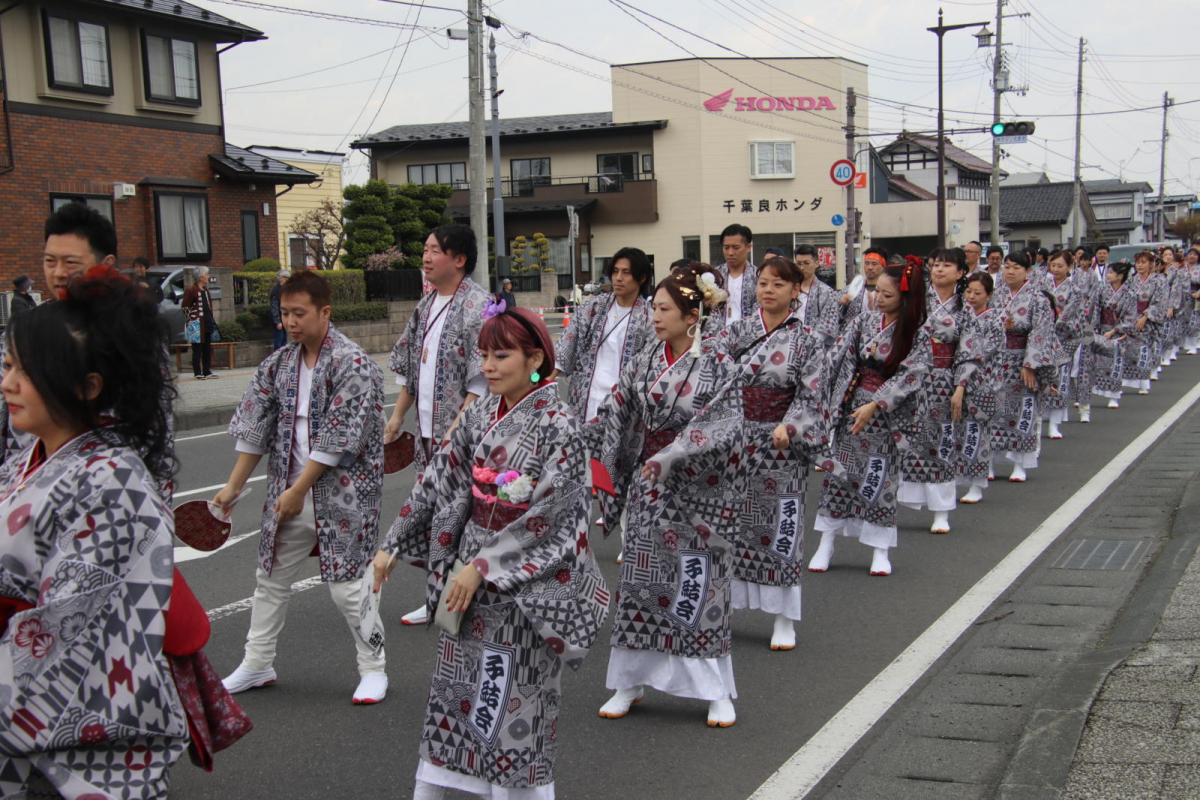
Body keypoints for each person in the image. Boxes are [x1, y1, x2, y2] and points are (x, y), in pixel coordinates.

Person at [373, 305, 608, 800]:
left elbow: (557, 516)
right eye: (483, 355)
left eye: (501, 355)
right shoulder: (480, 411)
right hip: (470, 576)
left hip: (521, 587)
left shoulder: (558, 424)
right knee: (455, 694)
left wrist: (483, 566)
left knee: (512, 699)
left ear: (535, 358)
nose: (488, 366)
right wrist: (393, 541)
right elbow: (440, 475)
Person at [0, 269, 190, 797]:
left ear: (89, 387)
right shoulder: (31, 460)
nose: (7, 384)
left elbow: (64, 632)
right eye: (8, 364)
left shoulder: (111, 484)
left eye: (27, 371)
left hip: (67, 753)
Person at [215, 270, 388, 704]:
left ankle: (374, 669)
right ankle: (257, 662)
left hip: (343, 494)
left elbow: (338, 437)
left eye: (299, 313)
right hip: (288, 492)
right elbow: (255, 426)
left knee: (348, 586)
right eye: (284, 313)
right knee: (269, 579)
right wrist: (232, 487)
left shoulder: (353, 364)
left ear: (324, 312)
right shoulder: (277, 364)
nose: (289, 322)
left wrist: (298, 490)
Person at [593, 264, 744, 727]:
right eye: (653, 308)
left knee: (698, 586)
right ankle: (629, 681)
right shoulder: (645, 359)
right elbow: (617, 410)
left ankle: (715, 690)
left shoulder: (719, 362)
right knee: (640, 584)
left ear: (691, 314)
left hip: (697, 493)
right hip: (648, 487)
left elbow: (725, 423)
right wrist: (582, 441)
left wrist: (676, 453)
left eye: (663, 309)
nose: (654, 316)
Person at [676, 256, 829, 650]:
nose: (767, 290)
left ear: (795, 290)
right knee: (729, 526)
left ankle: (784, 618)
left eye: (778, 284)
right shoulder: (735, 332)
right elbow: (711, 373)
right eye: (762, 283)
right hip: (734, 441)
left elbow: (813, 395)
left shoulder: (809, 340)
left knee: (780, 530)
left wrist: (791, 425)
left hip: (780, 446)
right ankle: (725, 606)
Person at [386, 223, 490, 626]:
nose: (426, 257)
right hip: (428, 432)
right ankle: (436, 597)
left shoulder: (477, 305)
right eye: (425, 249)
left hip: (461, 438)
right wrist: (397, 415)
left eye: (434, 250)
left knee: (459, 515)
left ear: (459, 259)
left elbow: (481, 379)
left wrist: (458, 427)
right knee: (434, 516)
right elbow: (413, 368)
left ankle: (451, 599)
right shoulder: (426, 305)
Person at [810, 262, 928, 576]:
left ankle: (879, 548)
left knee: (879, 479)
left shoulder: (917, 332)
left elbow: (912, 374)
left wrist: (877, 403)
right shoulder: (865, 320)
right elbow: (838, 355)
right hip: (852, 407)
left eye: (887, 294)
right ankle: (826, 541)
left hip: (886, 417)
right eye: (876, 290)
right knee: (838, 475)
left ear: (906, 298)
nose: (878, 297)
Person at [898, 247, 982, 535]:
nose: (939, 270)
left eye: (948, 265)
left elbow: (969, 350)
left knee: (943, 443)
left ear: (960, 273)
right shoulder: (916, 300)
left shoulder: (965, 309)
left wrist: (960, 386)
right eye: (936, 264)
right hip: (912, 379)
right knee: (908, 440)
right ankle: (906, 499)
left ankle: (941, 511)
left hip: (946, 380)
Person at [989, 252, 1067, 482]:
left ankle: (1019, 464)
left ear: (1028, 272)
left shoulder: (1038, 298)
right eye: (1007, 267)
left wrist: (1030, 365)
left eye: (1016, 268)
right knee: (993, 411)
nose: (1010, 272)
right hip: (997, 361)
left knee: (1024, 410)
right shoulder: (997, 295)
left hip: (1023, 358)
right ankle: (990, 462)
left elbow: (1041, 332)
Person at [555, 246, 654, 424]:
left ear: (642, 277)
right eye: (615, 271)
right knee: (581, 448)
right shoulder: (594, 306)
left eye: (626, 272)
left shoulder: (650, 317)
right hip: (585, 396)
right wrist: (539, 379)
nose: (618, 278)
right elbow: (568, 343)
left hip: (622, 404)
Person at [955, 272, 1003, 504]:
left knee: (976, 434)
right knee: (956, 433)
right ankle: (957, 480)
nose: (972, 297)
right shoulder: (960, 315)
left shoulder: (994, 319)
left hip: (981, 384)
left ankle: (977, 484)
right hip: (956, 381)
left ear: (989, 295)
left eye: (978, 293)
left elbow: (983, 351)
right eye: (969, 292)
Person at [1042, 250, 1089, 439]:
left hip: (1062, 341)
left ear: (1070, 267)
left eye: (1060, 266)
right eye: (1052, 265)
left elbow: (1070, 318)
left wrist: (1055, 325)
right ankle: (1040, 420)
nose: (1055, 269)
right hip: (1041, 341)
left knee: (1059, 382)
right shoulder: (1041, 286)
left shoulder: (1075, 291)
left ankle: (1055, 424)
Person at [1123, 250, 1167, 395]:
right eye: (1138, 262)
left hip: (1148, 320)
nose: (1140, 265)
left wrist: (1145, 316)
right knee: (1129, 350)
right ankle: (1129, 381)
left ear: (1151, 264)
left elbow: (1159, 302)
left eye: (1143, 262)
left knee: (1143, 350)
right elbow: (1124, 299)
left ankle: (1143, 382)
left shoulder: (1158, 281)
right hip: (1131, 318)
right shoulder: (1131, 280)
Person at [1092, 261, 1135, 409]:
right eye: (1108, 272)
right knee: (1098, 362)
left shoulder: (1129, 295)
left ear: (1120, 276)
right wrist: (1094, 328)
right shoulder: (1101, 290)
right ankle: (1095, 391)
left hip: (1118, 331)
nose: (1108, 275)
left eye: (1111, 272)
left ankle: (1114, 396)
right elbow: (1095, 309)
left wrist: (1116, 330)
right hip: (1102, 329)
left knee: (1116, 362)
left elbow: (1130, 317)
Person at [793, 243, 842, 344]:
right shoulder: (789, 289)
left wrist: (804, 343)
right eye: (798, 263)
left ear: (816, 263)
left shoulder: (827, 293)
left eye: (806, 263)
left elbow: (827, 328)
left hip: (813, 348)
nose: (802, 268)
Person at [181, 265, 217, 380]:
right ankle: (197, 371)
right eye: (206, 274)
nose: (208, 276)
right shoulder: (191, 289)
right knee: (197, 349)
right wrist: (191, 320)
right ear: (200, 277)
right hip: (197, 324)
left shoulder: (205, 290)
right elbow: (185, 307)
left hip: (207, 322)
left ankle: (207, 370)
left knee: (207, 347)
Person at [716, 223, 757, 322]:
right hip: (718, 334)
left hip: (748, 334)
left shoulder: (758, 276)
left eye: (736, 247)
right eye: (726, 247)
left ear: (748, 247)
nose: (730, 253)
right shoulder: (715, 275)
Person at [269, 268, 291, 351]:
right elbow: (274, 307)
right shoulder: (276, 290)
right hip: (279, 320)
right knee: (278, 341)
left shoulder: (286, 290)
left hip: (284, 319)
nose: (287, 280)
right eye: (286, 278)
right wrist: (277, 321)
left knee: (284, 341)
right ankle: (277, 360)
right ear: (281, 278)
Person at [1184, 247, 1200, 354]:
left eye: (1195, 254)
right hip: (1182, 298)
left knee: (1194, 322)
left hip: (1196, 297)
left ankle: (1193, 345)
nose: (1192, 256)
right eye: (1190, 254)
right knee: (1183, 322)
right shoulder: (1181, 268)